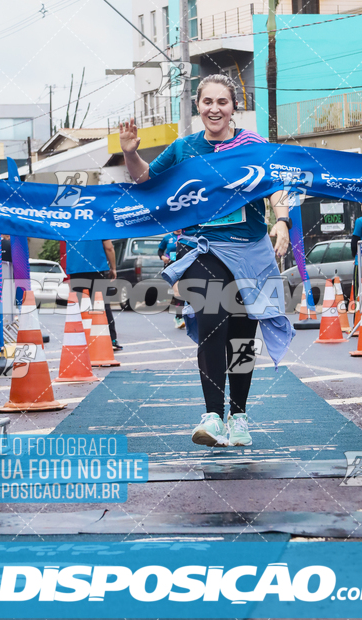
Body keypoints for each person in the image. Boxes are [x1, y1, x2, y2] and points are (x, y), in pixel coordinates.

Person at [119, 74, 293, 448]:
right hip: (205, 247)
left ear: (234, 108)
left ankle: (240, 416)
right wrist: (132, 153)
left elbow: (276, 185)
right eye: (208, 102)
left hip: (251, 249)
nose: (215, 109)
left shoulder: (252, 146)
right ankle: (213, 416)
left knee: (245, 333)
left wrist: (282, 221)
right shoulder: (184, 149)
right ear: (198, 106)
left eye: (223, 102)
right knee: (213, 321)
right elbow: (148, 181)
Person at [64, 239, 122, 351]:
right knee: (102, 304)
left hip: (76, 269)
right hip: (98, 268)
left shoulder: (70, 224)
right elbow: (109, 247)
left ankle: (81, 339)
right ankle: (112, 340)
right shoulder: (100, 224)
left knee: (80, 306)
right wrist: (113, 268)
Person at [158, 231, 185, 328]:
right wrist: (162, 257)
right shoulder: (167, 237)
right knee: (178, 291)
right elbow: (160, 250)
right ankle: (179, 317)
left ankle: (186, 315)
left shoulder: (187, 235)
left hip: (184, 266)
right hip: (171, 267)